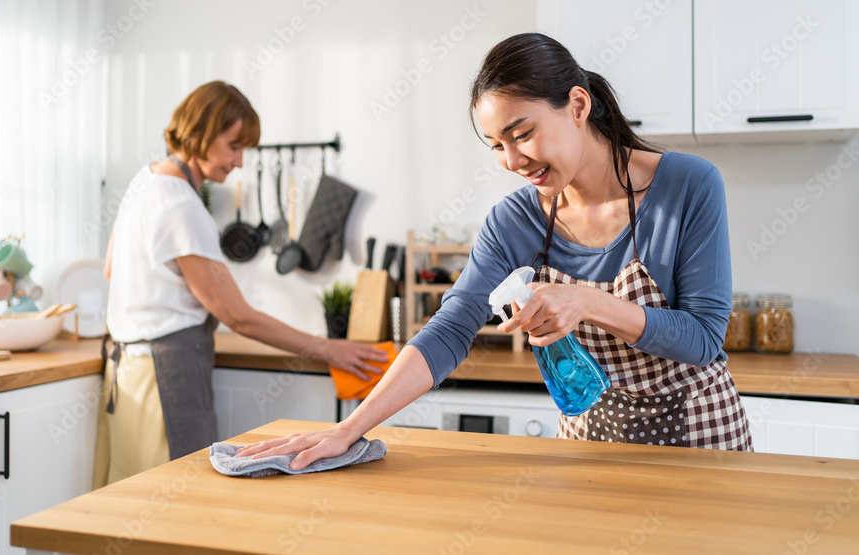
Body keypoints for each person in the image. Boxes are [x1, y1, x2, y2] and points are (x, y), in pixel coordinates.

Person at [235, 33, 752, 469]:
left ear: (577, 105)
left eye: (521, 134)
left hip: (699, 442)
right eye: (496, 146)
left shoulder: (687, 186)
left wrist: (588, 302)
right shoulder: (515, 220)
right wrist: (348, 429)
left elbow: (704, 339)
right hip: (592, 447)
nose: (511, 160)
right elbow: (451, 327)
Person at [94, 81, 387, 487]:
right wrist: (327, 348)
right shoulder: (180, 201)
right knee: (171, 500)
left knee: (129, 496)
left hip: (127, 370)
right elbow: (237, 316)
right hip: (166, 372)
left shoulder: (144, 182)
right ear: (200, 132)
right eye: (233, 146)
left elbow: (111, 268)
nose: (240, 162)